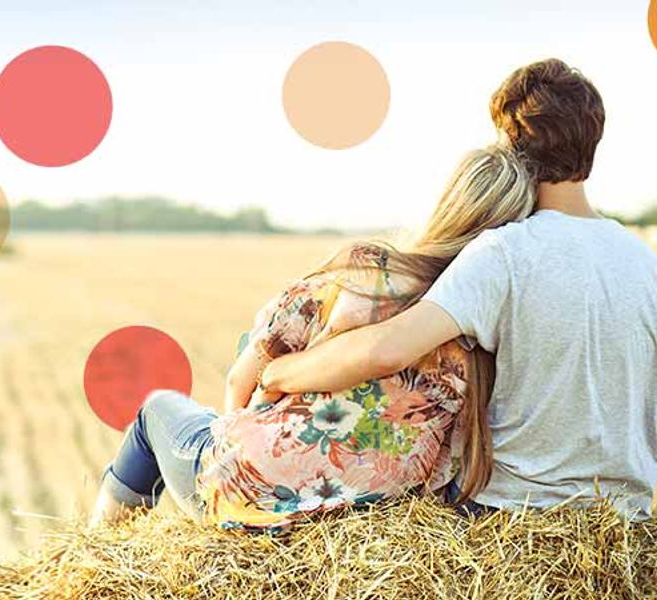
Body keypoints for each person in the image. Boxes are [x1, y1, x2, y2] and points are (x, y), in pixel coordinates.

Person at [260, 58, 657, 518]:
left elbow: (386, 350)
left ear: (511, 146)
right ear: (593, 143)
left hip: (516, 511)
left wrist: (281, 373)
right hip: (628, 517)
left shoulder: (506, 253)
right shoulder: (647, 262)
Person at [91, 144, 536, 529]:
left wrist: (242, 452)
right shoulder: (478, 336)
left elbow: (241, 381)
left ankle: (96, 559)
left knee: (156, 412)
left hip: (254, 494)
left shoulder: (366, 271)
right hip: (370, 516)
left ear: (448, 206)